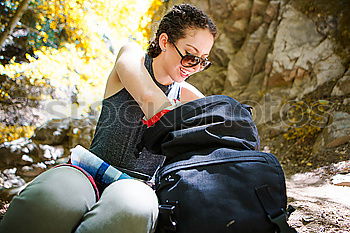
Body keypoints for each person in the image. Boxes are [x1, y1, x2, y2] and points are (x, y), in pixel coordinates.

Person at [0, 4, 217, 233]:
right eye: (191, 56)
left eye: (203, 61)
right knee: (52, 198)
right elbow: (148, 97)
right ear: (164, 41)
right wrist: (190, 116)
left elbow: (220, 129)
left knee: (133, 209)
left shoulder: (190, 96)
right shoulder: (131, 55)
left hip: (138, 187)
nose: (194, 67)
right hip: (88, 171)